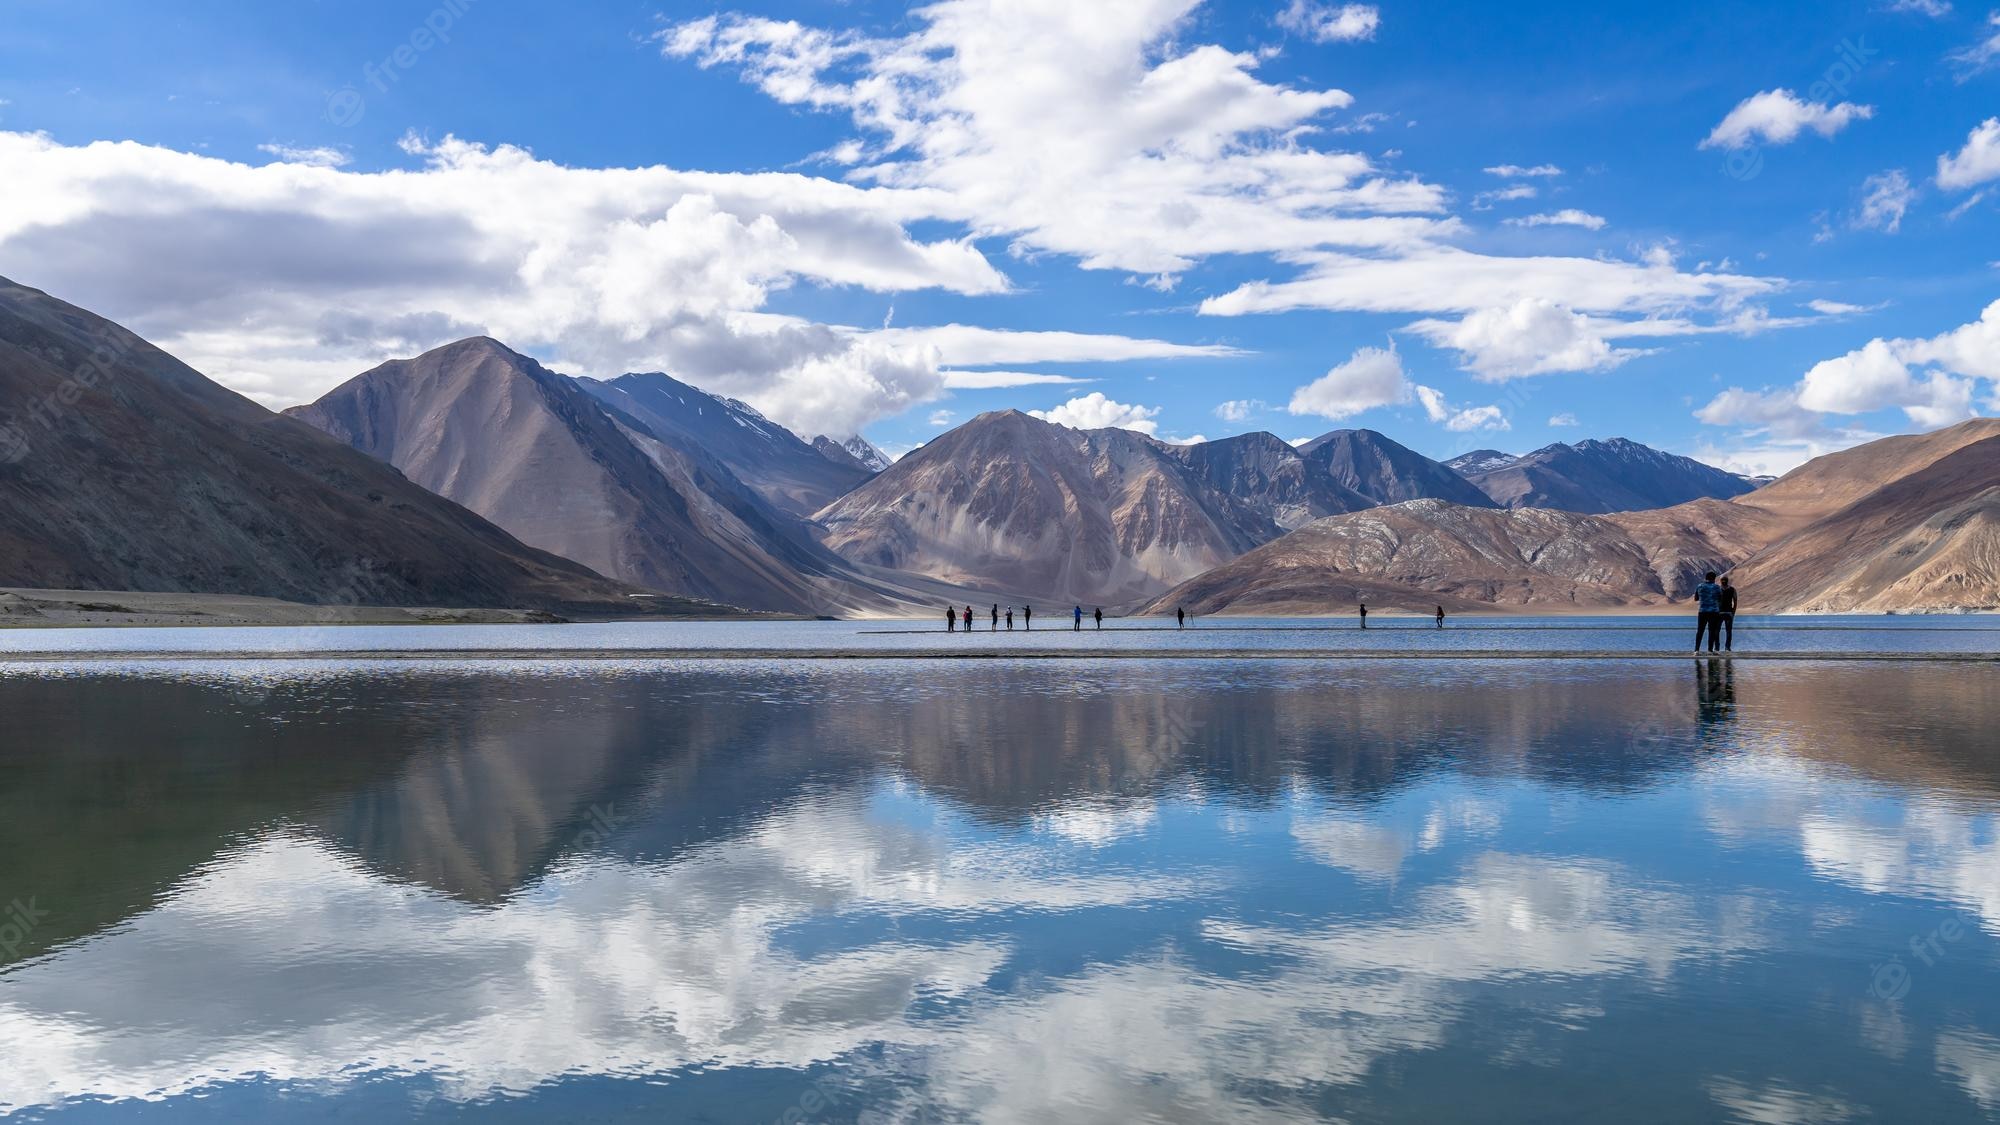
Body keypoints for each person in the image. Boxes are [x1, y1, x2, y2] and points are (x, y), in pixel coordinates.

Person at [1693, 570, 1724, 653]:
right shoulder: (1717, 587)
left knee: (1700, 631)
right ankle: (1710, 650)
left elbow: (1696, 598)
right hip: (1714, 612)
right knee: (1712, 631)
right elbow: (1720, 598)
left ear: (1705, 578)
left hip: (1702, 611)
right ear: (1714, 579)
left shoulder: (1699, 586)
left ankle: (1696, 650)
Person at [1719, 576, 1738, 652]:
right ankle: (1726, 648)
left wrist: (1733, 612)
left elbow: (1735, 602)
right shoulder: (1732, 589)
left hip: (1723, 613)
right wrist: (1733, 612)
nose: (1723, 582)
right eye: (1723, 580)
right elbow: (1735, 602)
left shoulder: (1731, 589)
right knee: (1727, 631)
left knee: (1720, 631)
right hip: (1725, 613)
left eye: (1724, 580)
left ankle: (1719, 647)